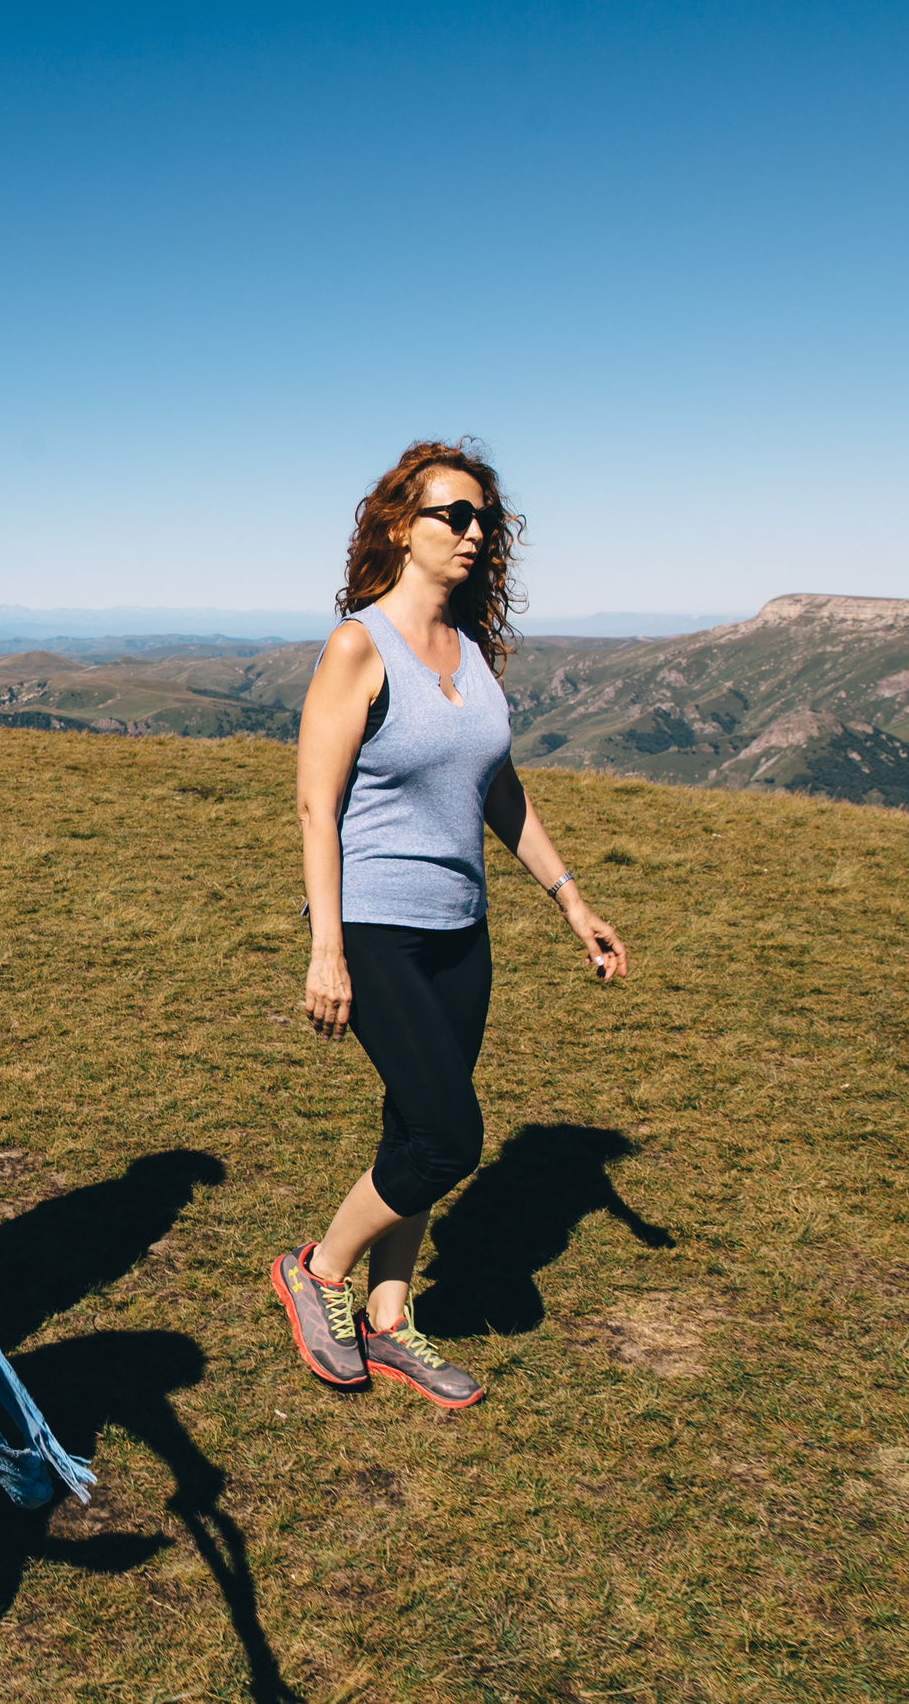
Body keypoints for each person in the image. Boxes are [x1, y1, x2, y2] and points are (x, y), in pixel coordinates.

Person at [271, 439, 626, 1410]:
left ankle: (389, 1321)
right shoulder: (359, 647)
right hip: (375, 925)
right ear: (399, 526)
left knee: (412, 1127)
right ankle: (319, 1270)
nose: (474, 533)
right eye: (453, 515)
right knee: (447, 1136)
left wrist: (571, 901)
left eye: (485, 520)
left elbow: (497, 789)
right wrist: (328, 949)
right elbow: (315, 806)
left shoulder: (469, 651)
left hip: (460, 930)